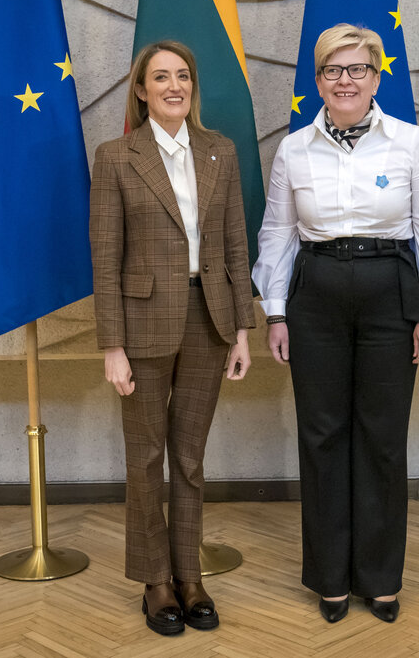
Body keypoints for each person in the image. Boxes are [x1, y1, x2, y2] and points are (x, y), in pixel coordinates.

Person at [253, 24, 419, 624]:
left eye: (357, 70)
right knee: (321, 437)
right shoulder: (295, 149)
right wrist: (275, 311)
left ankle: (380, 576)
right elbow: (278, 234)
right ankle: (330, 578)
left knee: (381, 436)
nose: (344, 81)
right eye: (332, 71)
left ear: (376, 77)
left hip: (389, 296)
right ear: (317, 80)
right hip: (314, 295)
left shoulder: (410, 143)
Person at [90, 40, 255, 637]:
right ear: (141, 90)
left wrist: (242, 328)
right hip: (141, 326)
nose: (173, 86)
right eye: (160, 77)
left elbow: (236, 245)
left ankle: (190, 575)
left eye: (182, 75)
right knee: (146, 456)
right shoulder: (116, 157)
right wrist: (112, 345)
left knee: (189, 458)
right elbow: (105, 259)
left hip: (208, 319)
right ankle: (155, 580)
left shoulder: (221, 152)